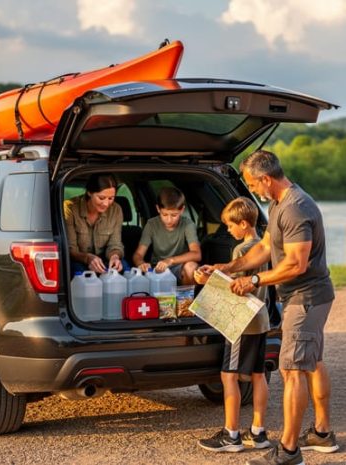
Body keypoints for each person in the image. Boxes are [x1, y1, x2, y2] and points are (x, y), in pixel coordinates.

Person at [199, 150, 338, 465]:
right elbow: (263, 247)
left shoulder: (296, 208)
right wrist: (228, 268)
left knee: (292, 370)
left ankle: (289, 452)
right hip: (304, 296)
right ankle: (322, 433)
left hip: (306, 297)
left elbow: (296, 264)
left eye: (252, 183)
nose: (253, 189)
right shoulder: (277, 205)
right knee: (312, 361)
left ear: (266, 178)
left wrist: (255, 281)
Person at [195, 197, 271, 453]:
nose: (228, 230)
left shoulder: (242, 251)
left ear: (243, 223)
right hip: (260, 319)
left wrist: (207, 280)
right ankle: (258, 433)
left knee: (228, 376)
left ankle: (231, 435)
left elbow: (236, 289)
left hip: (241, 322)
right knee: (258, 375)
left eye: (230, 226)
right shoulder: (265, 245)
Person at [133, 186, 201, 284]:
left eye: (174, 215)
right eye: (164, 215)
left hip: (179, 267)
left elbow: (196, 254)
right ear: (158, 209)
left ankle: (186, 298)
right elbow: (138, 254)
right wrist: (141, 263)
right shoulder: (151, 224)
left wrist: (170, 260)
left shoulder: (188, 225)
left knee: (191, 267)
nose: (169, 220)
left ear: (182, 210)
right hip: (157, 269)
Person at [64, 173, 124, 277]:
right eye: (101, 198)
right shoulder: (70, 209)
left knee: (124, 270)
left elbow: (115, 243)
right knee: (79, 274)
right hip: (79, 261)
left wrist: (115, 257)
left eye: (111, 198)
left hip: (105, 261)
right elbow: (70, 250)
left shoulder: (116, 210)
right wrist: (88, 258)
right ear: (89, 192)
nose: (106, 204)